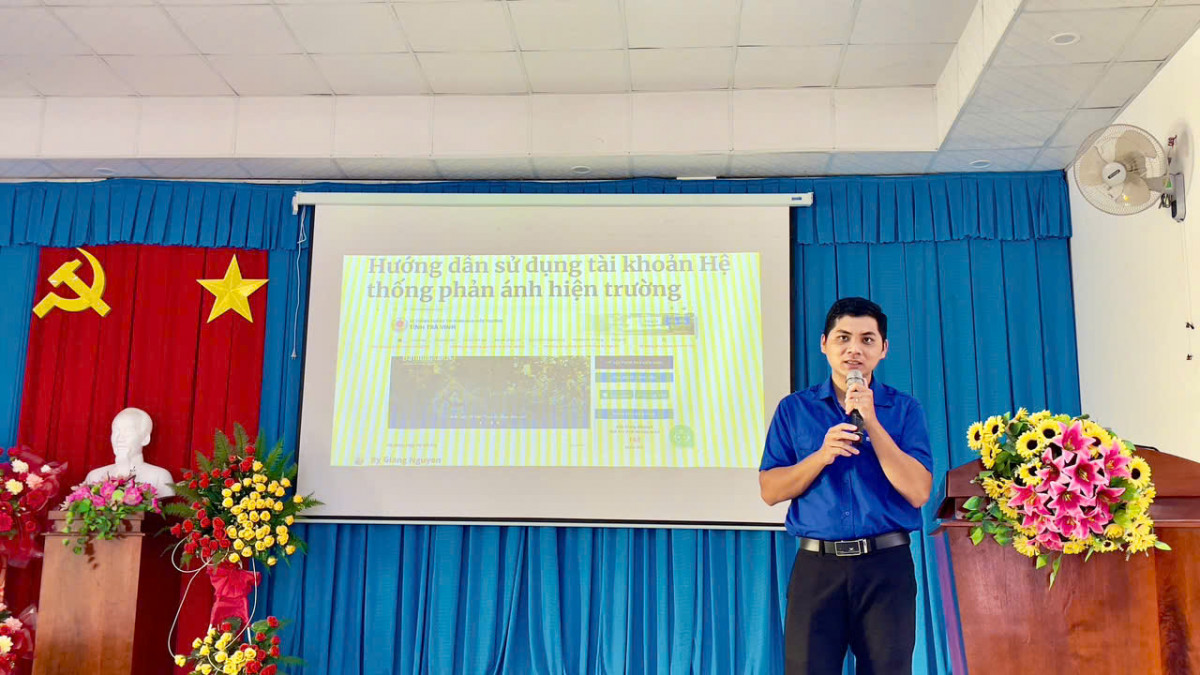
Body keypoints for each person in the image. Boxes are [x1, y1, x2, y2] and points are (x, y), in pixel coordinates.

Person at [759, 297, 933, 674]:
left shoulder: (905, 410)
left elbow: (919, 491)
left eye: (867, 340)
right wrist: (821, 455)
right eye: (843, 338)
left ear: (883, 349)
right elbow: (771, 490)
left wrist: (873, 423)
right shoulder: (794, 409)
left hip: (886, 567)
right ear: (824, 344)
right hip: (817, 568)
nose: (854, 349)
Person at [85, 407, 176, 497]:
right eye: (115, 431)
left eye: (127, 431)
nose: (119, 438)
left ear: (145, 439)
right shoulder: (94, 477)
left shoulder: (160, 477)